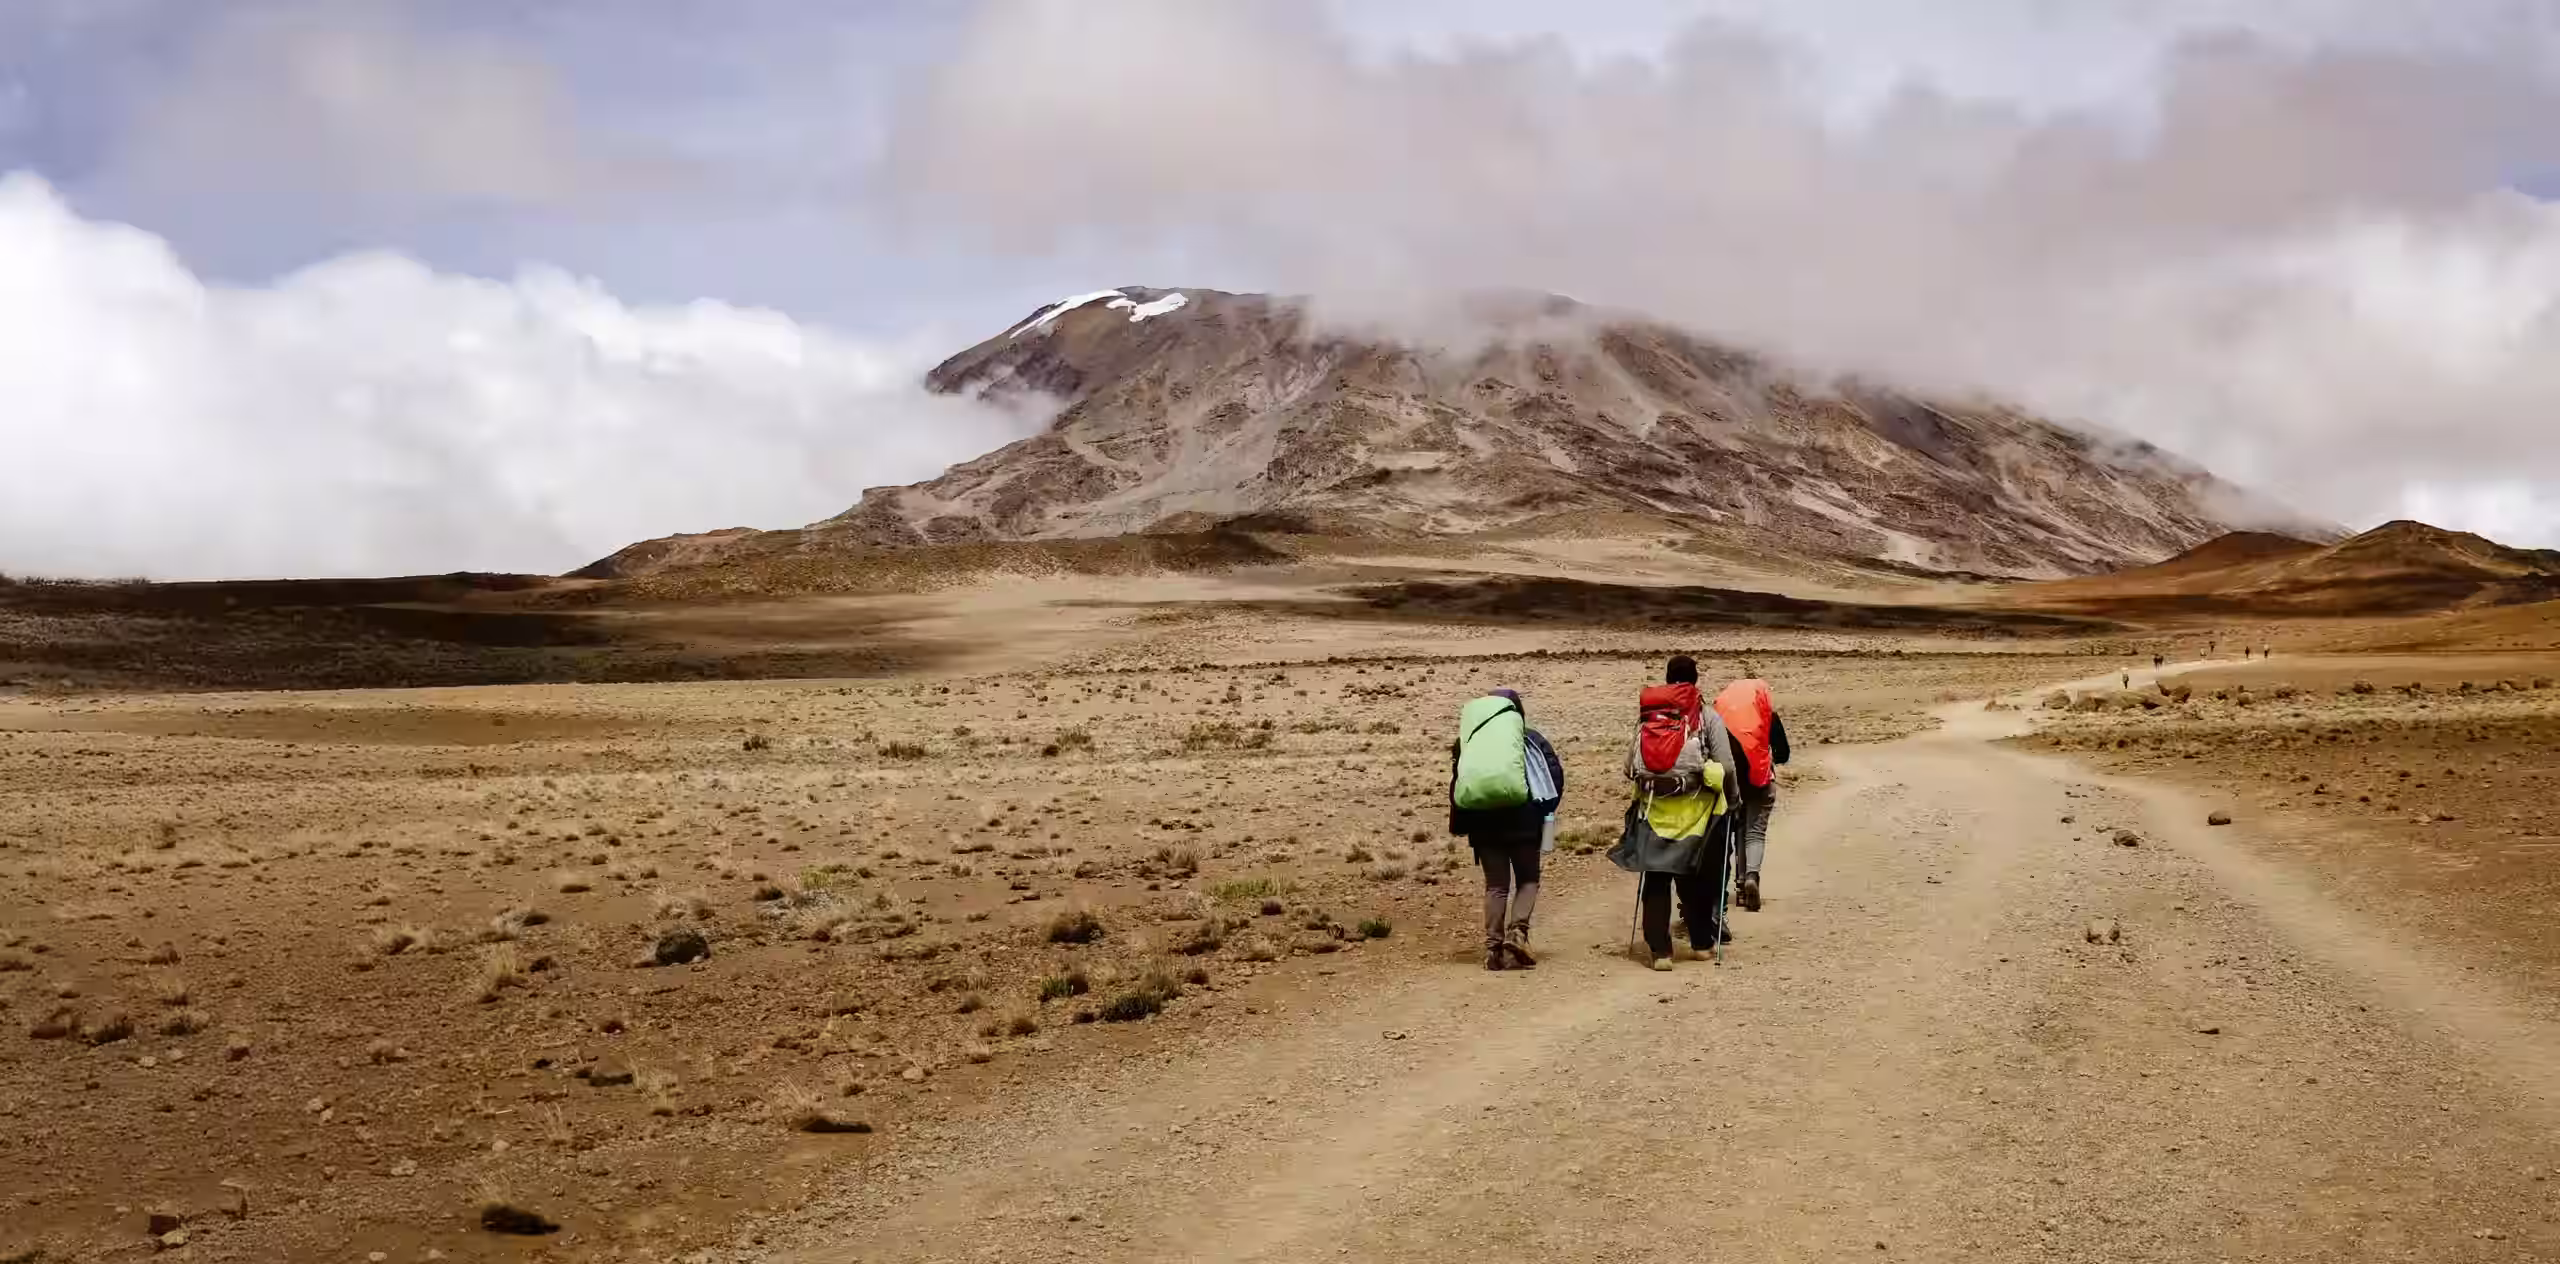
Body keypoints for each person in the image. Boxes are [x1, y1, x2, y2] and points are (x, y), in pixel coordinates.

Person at [1609, 655, 1741, 971]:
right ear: (1695, 680)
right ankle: (1701, 945)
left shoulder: (1648, 719)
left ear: (1667, 680)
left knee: (1655, 878)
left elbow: (1629, 767)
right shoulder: (1707, 716)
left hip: (1655, 812)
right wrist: (1732, 800)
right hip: (1696, 813)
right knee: (1694, 878)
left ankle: (1660, 953)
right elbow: (1726, 765)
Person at [1448, 688, 1565, 971]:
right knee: (1528, 880)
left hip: (1483, 825)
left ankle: (1493, 949)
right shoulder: (1531, 739)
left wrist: (1463, 823)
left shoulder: (1470, 740)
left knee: (1496, 885)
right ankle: (1517, 932)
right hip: (1525, 823)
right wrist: (1546, 815)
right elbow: (1554, 777)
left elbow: (1458, 782)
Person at [1713, 677, 1790, 912]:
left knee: (1737, 827)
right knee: (1754, 831)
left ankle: (1738, 885)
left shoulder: (1719, 717)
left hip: (1730, 781)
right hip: (1759, 780)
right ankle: (1751, 877)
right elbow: (1783, 753)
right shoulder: (1767, 716)